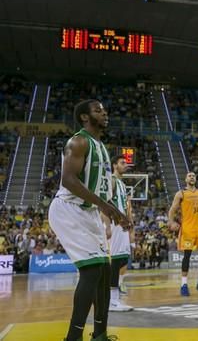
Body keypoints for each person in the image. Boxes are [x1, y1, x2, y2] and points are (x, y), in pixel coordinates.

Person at [48, 99, 129, 341]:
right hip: (68, 209)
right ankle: (73, 337)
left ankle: (100, 334)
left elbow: (100, 191)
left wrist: (116, 210)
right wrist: (104, 205)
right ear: (85, 117)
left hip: (90, 212)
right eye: (98, 110)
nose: (104, 113)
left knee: (104, 270)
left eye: (105, 110)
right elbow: (68, 180)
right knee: (92, 270)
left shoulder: (102, 147)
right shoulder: (79, 141)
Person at [167, 172, 198, 296]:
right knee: (187, 256)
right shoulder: (181, 193)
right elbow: (172, 209)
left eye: (194, 176)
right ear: (186, 179)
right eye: (189, 176)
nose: (192, 177)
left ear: (195, 179)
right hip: (188, 229)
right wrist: (171, 221)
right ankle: (184, 284)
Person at [103, 155, 134, 312]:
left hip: (122, 225)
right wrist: (107, 226)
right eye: (122, 163)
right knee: (115, 262)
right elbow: (104, 204)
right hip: (114, 225)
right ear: (114, 165)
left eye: (126, 163)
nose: (125, 165)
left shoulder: (122, 183)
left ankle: (114, 299)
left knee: (122, 260)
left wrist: (128, 220)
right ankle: (112, 301)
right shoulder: (112, 180)